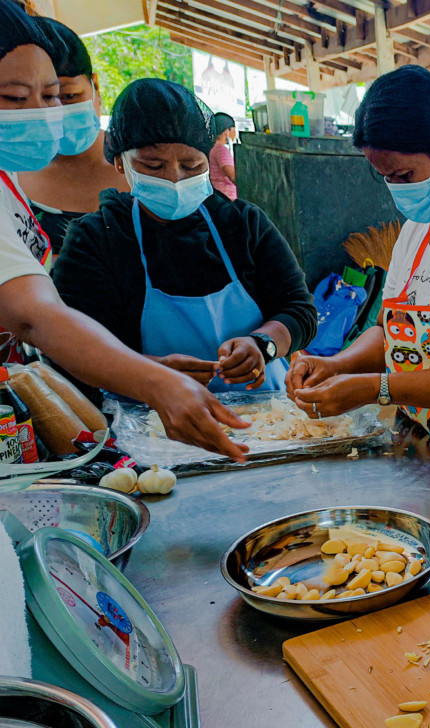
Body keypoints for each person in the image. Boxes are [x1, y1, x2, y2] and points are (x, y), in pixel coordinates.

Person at [0, 0, 247, 459]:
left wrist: (148, 369)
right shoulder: (95, 232)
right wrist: (155, 381)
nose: (40, 113)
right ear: (125, 163)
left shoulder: (7, 178)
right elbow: (35, 315)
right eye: (15, 98)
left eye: (52, 95)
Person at [285, 66, 430, 483]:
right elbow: (387, 330)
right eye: (386, 179)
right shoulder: (416, 230)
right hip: (417, 446)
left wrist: (373, 388)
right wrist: (336, 366)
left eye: (405, 176)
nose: (396, 190)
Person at [53, 78, 316, 395]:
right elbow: (72, 346)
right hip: (152, 426)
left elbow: (299, 311)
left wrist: (263, 344)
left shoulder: (244, 225)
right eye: (153, 165)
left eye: (191, 165)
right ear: (120, 163)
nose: (174, 178)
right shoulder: (97, 240)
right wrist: (146, 372)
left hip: (266, 418)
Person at [18, 17, 126, 259]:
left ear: (95, 84)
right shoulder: (10, 177)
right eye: (20, 98)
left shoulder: (150, 166)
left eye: (68, 95)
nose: (53, 111)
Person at [209, 112, 237, 201]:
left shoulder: (213, 147)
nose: (235, 133)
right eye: (233, 129)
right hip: (228, 197)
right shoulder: (221, 150)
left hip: (219, 195)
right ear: (226, 131)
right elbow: (233, 177)